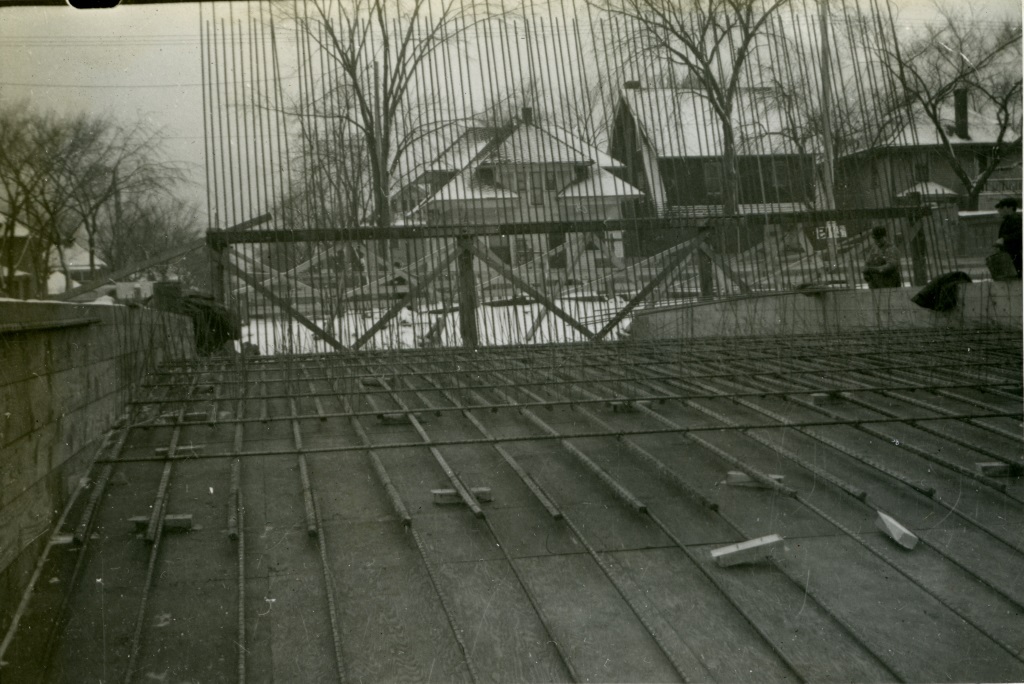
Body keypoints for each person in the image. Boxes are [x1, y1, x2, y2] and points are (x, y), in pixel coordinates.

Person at [994, 197, 1022, 278]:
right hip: (1010, 255)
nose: (999, 210)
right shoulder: (1009, 220)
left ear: (1009, 208)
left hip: (1013, 256)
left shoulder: (1015, 219)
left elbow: (1019, 234)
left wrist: (1004, 239)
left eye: (1002, 207)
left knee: (1014, 278)